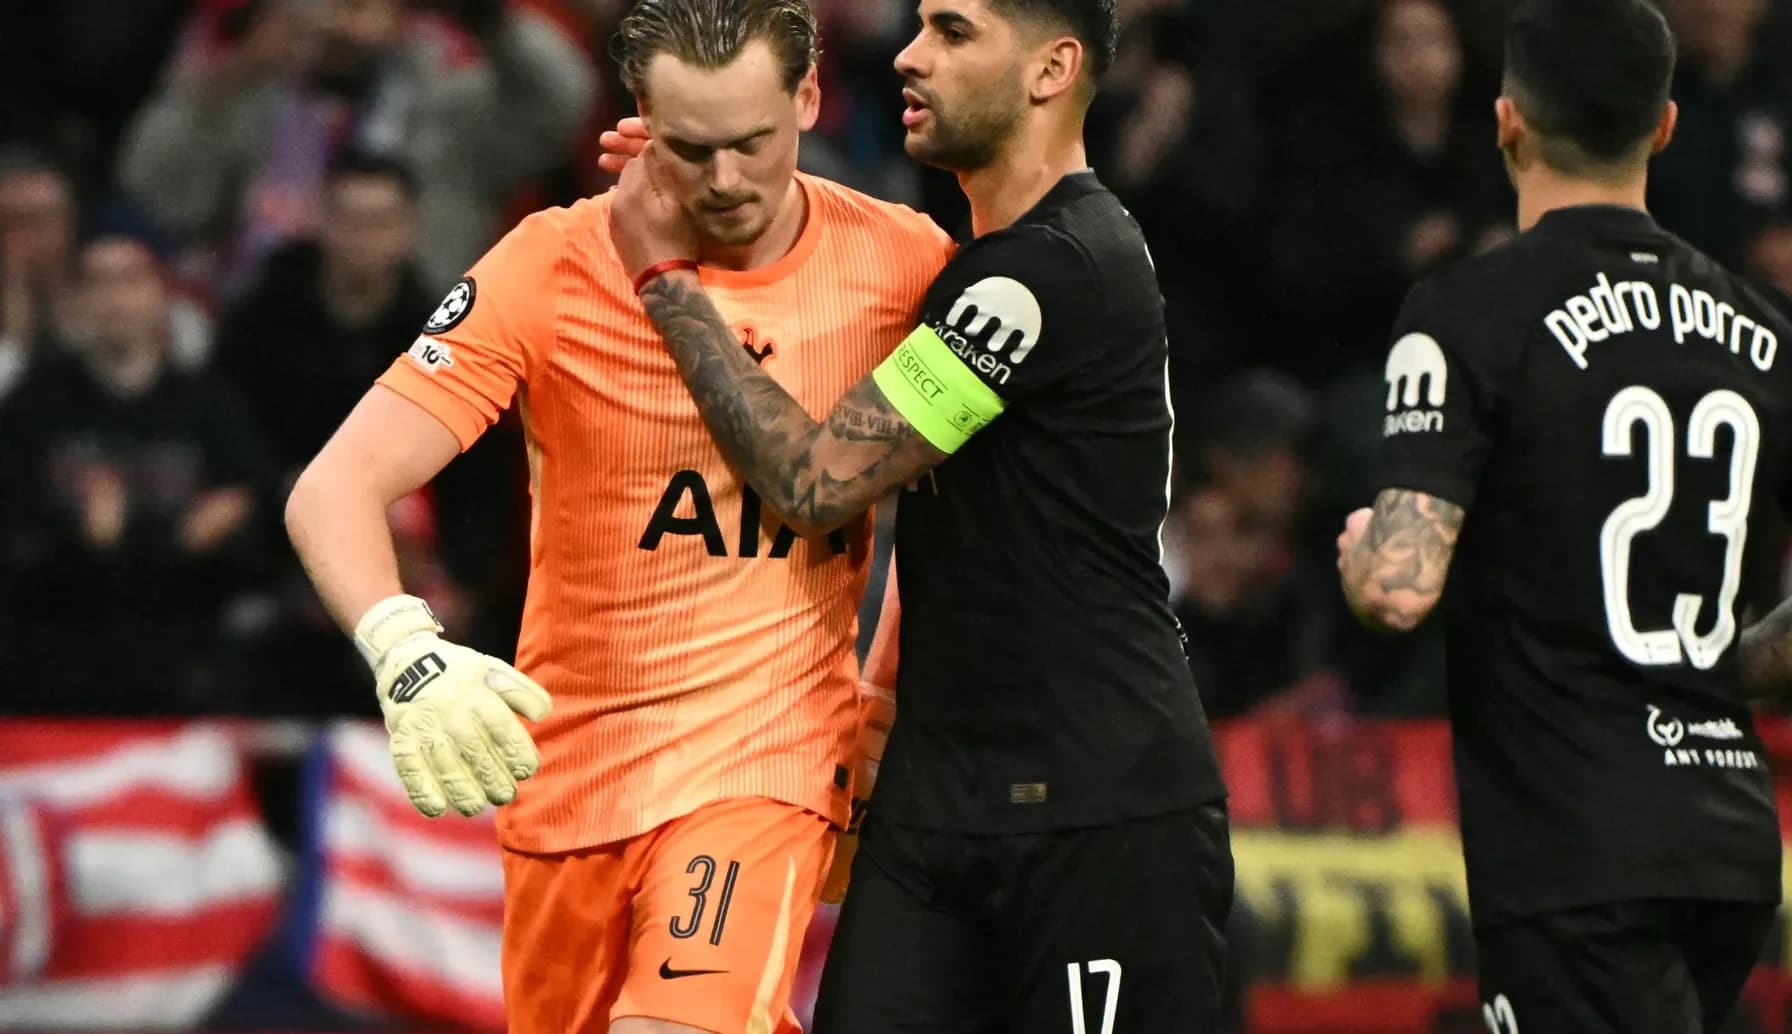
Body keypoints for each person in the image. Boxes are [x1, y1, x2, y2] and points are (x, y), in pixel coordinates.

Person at [282, 1, 955, 1031]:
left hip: (764, 768)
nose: (726, 179)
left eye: (753, 143)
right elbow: (334, 487)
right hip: (570, 787)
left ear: (808, 100)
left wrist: (885, 699)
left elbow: (962, 509)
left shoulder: (903, 262)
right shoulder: (552, 261)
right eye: (690, 148)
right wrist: (405, 649)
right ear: (638, 117)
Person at [604, 0, 1232, 1030]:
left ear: (1050, 68)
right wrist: (715, 167)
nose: (908, 54)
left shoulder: (1051, 268)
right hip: (936, 809)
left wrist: (666, 276)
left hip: (1095, 816)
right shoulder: (978, 268)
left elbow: (813, 484)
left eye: (951, 30)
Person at [1332, 1, 1792, 1031]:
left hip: (1572, 845)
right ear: (1663, 127)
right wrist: (1719, 668)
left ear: (1506, 120)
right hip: (1727, 841)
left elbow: (1399, 587)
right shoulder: (1767, 323)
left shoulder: (1469, 311)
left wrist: (1359, 557)